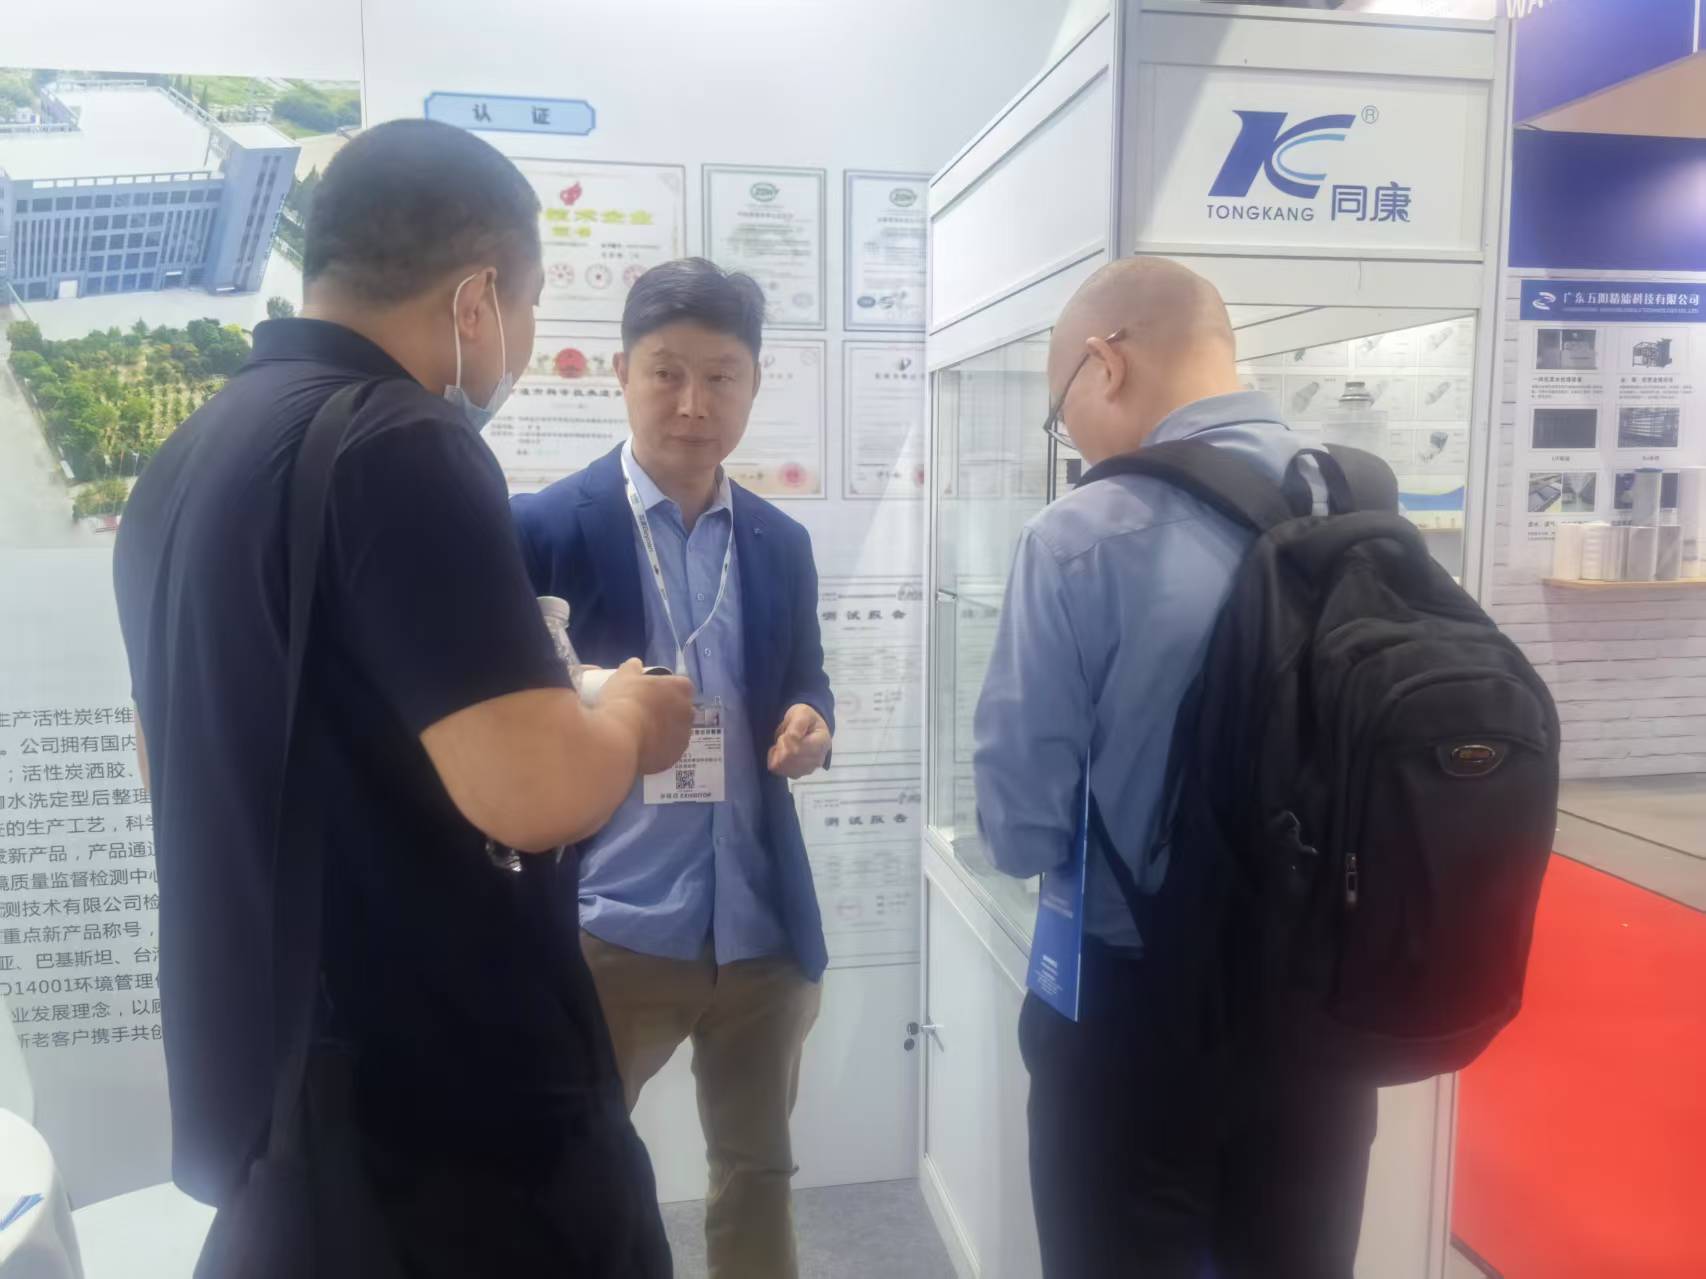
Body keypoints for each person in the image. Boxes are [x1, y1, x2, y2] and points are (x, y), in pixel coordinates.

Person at [112, 120, 695, 1277]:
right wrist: (630, 717)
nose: (523, 340)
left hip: (283, 1076)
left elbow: (169, 750)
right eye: (528, 305)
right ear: (476, 300)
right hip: (444, 1112)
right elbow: (535, 791)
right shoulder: (400, 440)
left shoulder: (188, 460)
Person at [972, 257, 1379, 1278]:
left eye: (1058, 409)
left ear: (1103, 364)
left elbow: (1020, 823)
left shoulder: (1078, 535)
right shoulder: (1360, 501)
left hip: (1134, 1010)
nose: (1069, 435)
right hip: (1326, 1013)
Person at [512, 257, 835, 1279]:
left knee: (759, 1170)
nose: (694, 405)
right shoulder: (544, 528)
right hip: (612, 922)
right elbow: (511, 717)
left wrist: (811, 723)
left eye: (721, 376)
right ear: (621, 372)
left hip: (758, 928)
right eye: (666, 373)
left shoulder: (778, 542)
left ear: (753, 382)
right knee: (572, 1165)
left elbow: (806, 677)